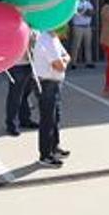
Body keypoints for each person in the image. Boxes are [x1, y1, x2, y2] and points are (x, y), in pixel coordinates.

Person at [33, 29, 71, 168]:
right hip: (47, 83)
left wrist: (63, 61)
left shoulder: (53, 38)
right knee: (47, 120)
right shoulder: (45, 39)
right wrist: (63, 62)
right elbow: (59, 65)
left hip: (54, 83)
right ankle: (45, 155)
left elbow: (67, 56)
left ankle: (54, 147)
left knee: (55, 118)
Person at [5, 31, 38, 136]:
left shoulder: (33, 26)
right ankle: (12, 124)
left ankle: (25, 119)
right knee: (15, 95)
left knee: (25, 94)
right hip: (17, 64)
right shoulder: (14, 26)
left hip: (30, 63)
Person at [69, 0, 96, 70]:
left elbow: (91, 12)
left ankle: (89, 62)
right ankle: (73, 63)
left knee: (88, 45)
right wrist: (84, 11)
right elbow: (76, 12)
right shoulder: (74, 3)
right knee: (76, 46)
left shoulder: (87, 3)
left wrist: (84, 12)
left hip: (87, 26)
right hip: (78, 26)